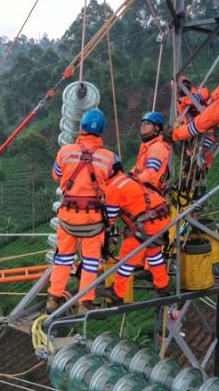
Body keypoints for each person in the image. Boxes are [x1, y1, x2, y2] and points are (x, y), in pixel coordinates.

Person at [46, 108, 119, 315]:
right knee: (90, 261)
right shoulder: (109, 158)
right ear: (101, 132)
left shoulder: (65, 152)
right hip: (93, 221)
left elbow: (56, 175)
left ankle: (54, 296)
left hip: (68, 216)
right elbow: (114, 185)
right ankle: (86, 301)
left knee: (63, 257)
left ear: (81, 128)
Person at [98, 163, 171, 303]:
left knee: (127, 258)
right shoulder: (127, 179)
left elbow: (110, 218)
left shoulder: (113, 188)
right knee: (153, 253)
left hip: (147, 225)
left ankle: (117, 292)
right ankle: (163, 285)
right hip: (161, 218)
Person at [129, 111, 172, 194]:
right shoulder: (146, 147)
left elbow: (150, 173)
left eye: (148, 123)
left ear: (157, 127)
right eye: (142, 122)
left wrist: (132, 184)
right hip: (143, 190)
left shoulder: (157, 147)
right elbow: (137, 168)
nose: (143, 125)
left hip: (150, 194)